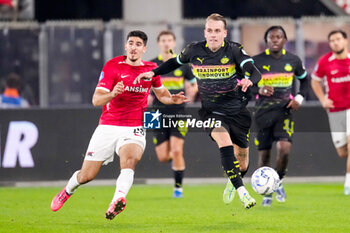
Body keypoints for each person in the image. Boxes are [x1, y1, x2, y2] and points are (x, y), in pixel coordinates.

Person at [50, 30, 188, 220]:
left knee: (129, 161)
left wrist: (172, 99)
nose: (133, 47)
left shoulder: (150, 69)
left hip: (135, 127)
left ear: (144, 48)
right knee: (86, 176)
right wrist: (113, 93)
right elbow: (97, 100)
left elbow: (161, 94)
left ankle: (118, 199)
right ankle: (67, 190)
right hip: (108, 126)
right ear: (126, 46)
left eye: (138, 44)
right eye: (130, 43)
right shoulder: (112, 66)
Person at [135, 13, 261, 209]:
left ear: (224, 33)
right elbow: (174, 62)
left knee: (243, 163)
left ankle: (233, 180)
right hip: (211, 112)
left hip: (237, 112)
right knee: (223, 141)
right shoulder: (194, 50)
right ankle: (242, 192)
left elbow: (255, 72)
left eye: (217, 30)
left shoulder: (235, 50)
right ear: (205, 32)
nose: (213, 34)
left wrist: (248, 80)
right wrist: (153, 72)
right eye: (209, 30)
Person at [252, 26, 308, 206]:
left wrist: (299, 97)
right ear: (266, 41)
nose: (275, 39)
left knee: (284, 149)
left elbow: (305, 80)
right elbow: (243, 83)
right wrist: (258, 88)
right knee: (264, 156)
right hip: (262, 114)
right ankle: (266, 192)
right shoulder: (256, 61)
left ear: (284, 40)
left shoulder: (293, 60)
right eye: (271, 37)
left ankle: (278, 182)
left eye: (279, 37)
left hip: (285, 112)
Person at [150, 30, 197, 198]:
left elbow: (194, 84)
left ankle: (178, 188)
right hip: (155, 114)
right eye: (163, 40)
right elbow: (146, 89)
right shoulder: (151, 65)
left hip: (178, 112)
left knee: (177, 151)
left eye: (169, 40)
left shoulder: (182, 64)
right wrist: (147, 98)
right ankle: (175, 162)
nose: (166, 43)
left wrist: (192, 93)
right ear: (158, 43)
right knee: (163, 157)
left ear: (174, 43)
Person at [311, 30, 350, 195]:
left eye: (338, 39)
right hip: (335, 111)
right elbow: (315, 81)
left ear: (345, 40)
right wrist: (323, 99)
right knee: (343, 152)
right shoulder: (324, 61)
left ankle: (348, 182)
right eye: (332, 40)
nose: (335, 42)